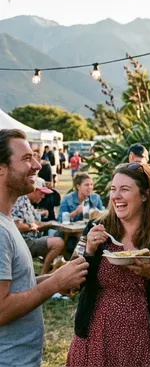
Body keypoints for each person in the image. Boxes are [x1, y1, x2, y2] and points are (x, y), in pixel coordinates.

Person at [67, 163, 150, 367]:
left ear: (145, 195)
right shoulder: (96, 229)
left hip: (146, 340)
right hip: (96, 336)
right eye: (113, 189)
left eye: (125, 189)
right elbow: (72, 284)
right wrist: (90, 253)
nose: (116, 196)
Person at [0, 129, 88, 366]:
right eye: (27, 159)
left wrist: (59, 276)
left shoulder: (5, 221)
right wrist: (55, 284)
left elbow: (17, 287)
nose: (38, 165)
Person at [10, 180, 64, 275]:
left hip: (32, 238)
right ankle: (44, 273)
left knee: (56, 236)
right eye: (41, 193)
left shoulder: (26, 201)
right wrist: (32, 226)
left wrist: (46, 223)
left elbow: (35, 222)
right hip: (24, 241)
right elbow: (16, 225)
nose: (43, 196)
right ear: (33, 190)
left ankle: (42, 270)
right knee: (58, 243)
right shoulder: (20, 200)